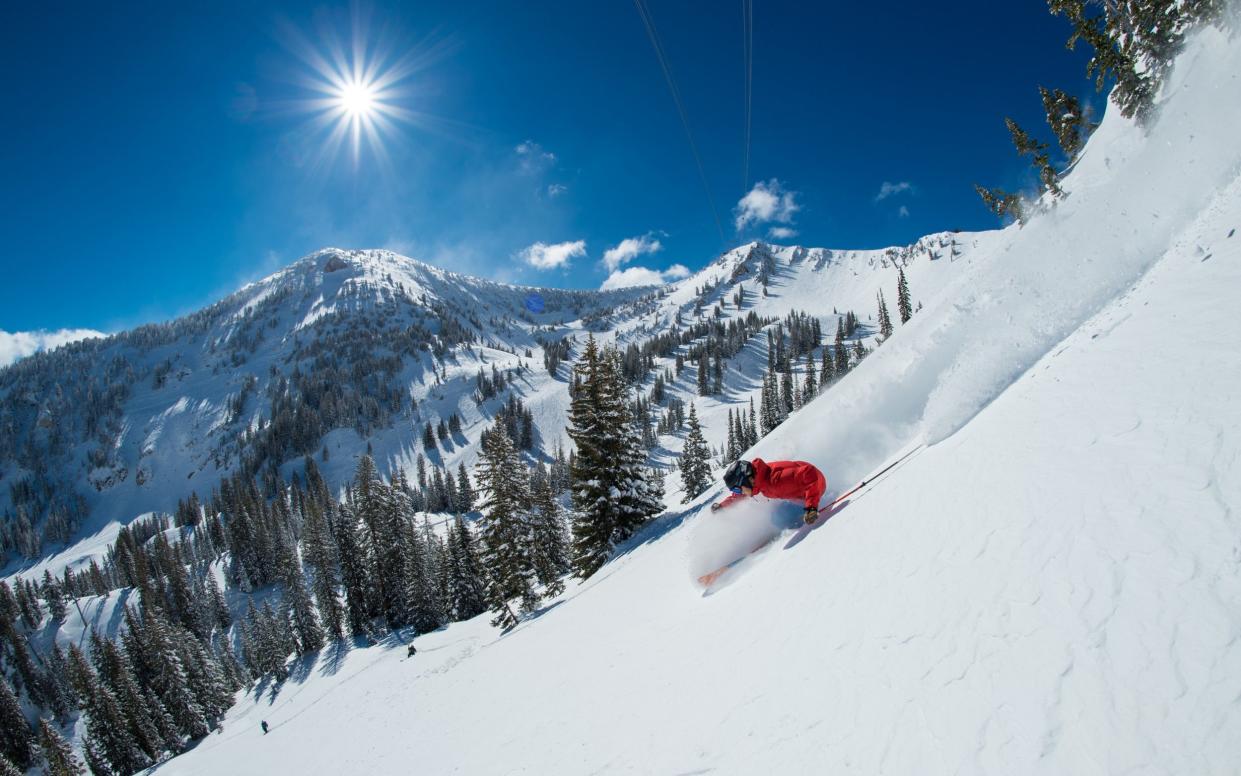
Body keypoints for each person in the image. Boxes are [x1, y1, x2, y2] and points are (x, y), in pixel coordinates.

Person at [711, 458, 827, 525]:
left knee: (779, 518)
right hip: (800, 495)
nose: (738, 492)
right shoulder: (759, 479)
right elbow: (738, 496)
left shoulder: (775, 480)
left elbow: (810, 472)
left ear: (746, 480)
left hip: (815, 488)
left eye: (737, 488)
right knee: (777, 516)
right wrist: (722, 506)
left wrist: (811, 507)